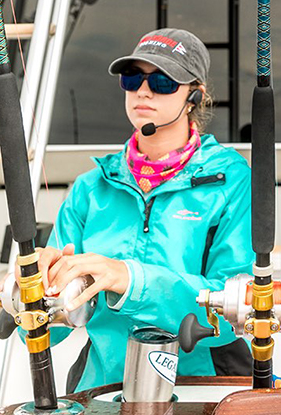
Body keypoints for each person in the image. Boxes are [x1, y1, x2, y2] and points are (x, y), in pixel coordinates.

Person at [32, 27, 254, 395]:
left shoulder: (232, 180)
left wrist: (130, 279)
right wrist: (37, 295)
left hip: (202, 394)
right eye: (132, 78)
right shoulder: (90, 187)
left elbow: (237, 311)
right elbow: (49, 328)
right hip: (101, 394)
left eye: (164, 81)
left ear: (194, 95)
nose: (143, 91)